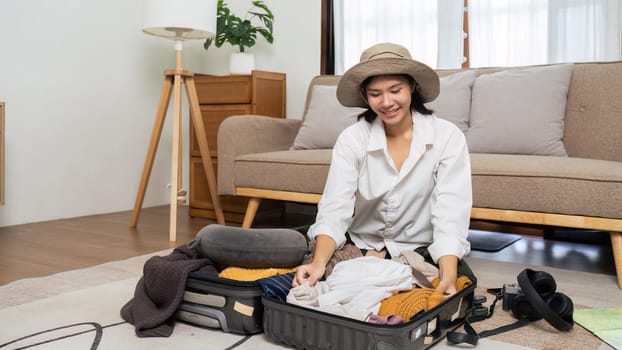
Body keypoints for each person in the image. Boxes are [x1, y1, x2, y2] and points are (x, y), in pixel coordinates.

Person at [293, 43, 472, 296]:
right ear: (366, 97)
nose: (387, 102)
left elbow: (450, 213)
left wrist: (449, 277)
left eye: (395, 90)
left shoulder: (447, 137)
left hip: (419, 248)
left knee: (455, 280)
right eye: (376, 94)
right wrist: (319, 263)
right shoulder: (352, 139)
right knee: (306, 247)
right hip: (360, 240)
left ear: (412, 87)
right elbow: (335, 206)